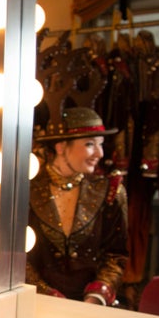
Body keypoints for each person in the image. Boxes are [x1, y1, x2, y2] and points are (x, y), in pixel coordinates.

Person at [26, 107, 129, 306]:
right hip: (34, 302)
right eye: (90, 144)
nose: (99, 153)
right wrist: (43, 293)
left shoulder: (109, 190)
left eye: (100, 144)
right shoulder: (27, 188)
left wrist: (96, 296)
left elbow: (116, 256)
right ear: (61, 146)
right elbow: (13, 255)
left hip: (89, 307)